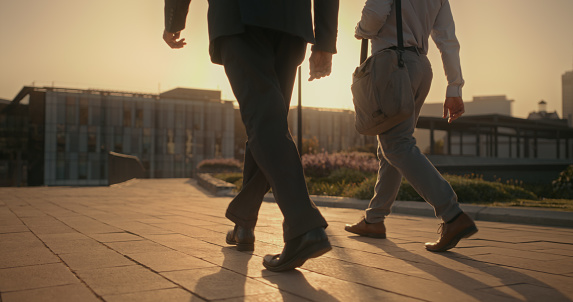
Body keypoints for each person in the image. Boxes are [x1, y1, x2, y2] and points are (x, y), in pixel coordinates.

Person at [163, 0, 339, 271]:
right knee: (268, 124)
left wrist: (174, 19)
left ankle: (304, 226)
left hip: (239, 15)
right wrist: (325, 40)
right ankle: (244, 223)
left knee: (264, 121)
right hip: (291, 21)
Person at [344, 0, 478, 252]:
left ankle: (452, 214)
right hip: (420, 67)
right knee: (392, 145)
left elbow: (373, 16)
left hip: (392, 63)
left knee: (396, 145)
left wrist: (360, 30)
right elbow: (447, 38)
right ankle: (374, 220)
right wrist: (454, 87)